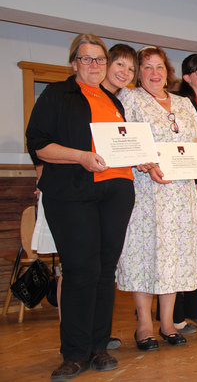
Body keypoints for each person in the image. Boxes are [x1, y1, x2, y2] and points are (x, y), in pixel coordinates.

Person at [26, 33, 136, 380]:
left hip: (117, 192)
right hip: (73, 192)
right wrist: (81, 157)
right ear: (74, 62)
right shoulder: (57, 95)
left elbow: (121, 145)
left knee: (105, 271)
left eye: (99, 60)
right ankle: (73, 353)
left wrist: (143, 158)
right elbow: (40, 146)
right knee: (79, 271)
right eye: (86, 59)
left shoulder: (113, 100)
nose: (94, 65)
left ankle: (98, 348)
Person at [116, 46, 197, 350]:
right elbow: (126, 140)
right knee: (148, 255)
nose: (154, 74)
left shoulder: (184, 103)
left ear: (167, 71)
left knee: (175, 257)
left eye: (159, 67)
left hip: (181, 193)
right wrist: (146, 162)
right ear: (138, 73)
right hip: (148, 190)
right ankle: (144, 326)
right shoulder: (130, 99)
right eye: (147, 68)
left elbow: (195, 143)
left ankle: (168, 323)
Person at [155, 53, 197, 333]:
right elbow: (178, 147)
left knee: (196, 251)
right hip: (177, 186)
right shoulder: (179, 103)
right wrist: (195, 179)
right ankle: (174, 315)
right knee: (173, 252)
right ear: (187, 77)